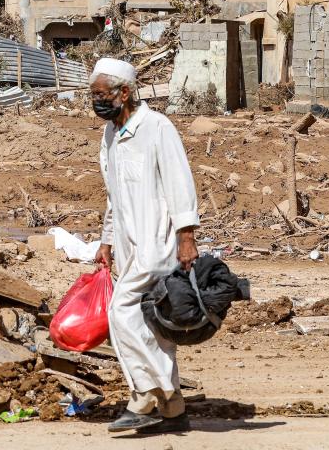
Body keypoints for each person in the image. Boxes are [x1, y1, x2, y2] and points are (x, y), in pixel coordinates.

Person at [90, 57, 200, 434]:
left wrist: (187, 236)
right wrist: (106, 240)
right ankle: (173, 408)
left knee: (121, 312)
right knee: (154, 326)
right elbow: (113, 194)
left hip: (158, 242)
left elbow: (179, 181)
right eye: (93, 95)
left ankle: (146, 393)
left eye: (102, 94)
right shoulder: (110, 134)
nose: (97, 101)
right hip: (127, 242)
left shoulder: (156, 127)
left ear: (124, 93)